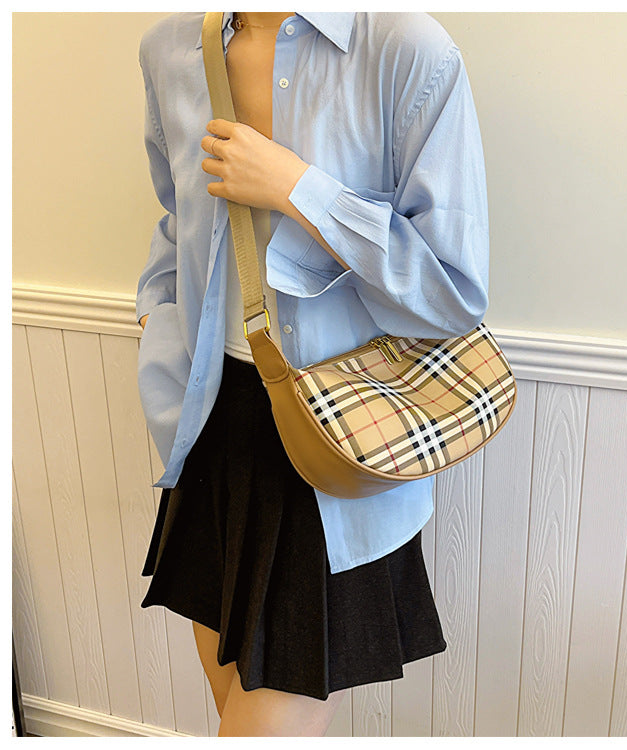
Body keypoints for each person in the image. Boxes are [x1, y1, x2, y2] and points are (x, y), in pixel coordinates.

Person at [135, 11, 489, 737]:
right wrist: (156, 318)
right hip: (208, 422)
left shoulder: (405, 49)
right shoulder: (169, 49)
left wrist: (298, 187)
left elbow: (453, 288)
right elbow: (175, 221)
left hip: (336, 435)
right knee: (231, 704)